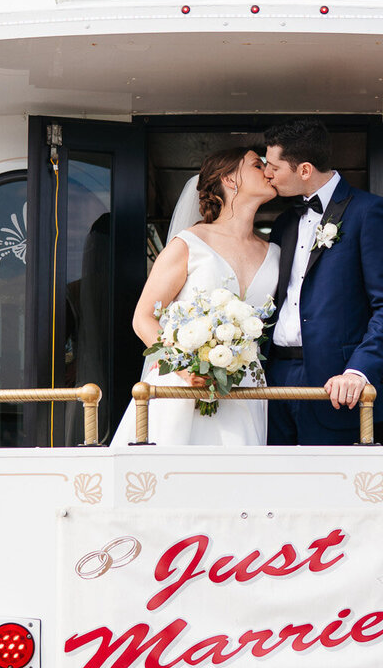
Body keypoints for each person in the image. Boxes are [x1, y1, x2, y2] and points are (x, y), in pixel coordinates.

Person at [112, 148, 278, 446]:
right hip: (183, 385)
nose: (268, 171)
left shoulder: (275, 254)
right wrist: (184, 368)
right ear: (230, 179)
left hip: (245, 388)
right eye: (257, 165)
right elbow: (143, 318)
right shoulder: (189, 243)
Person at [262, 118, 383, 445]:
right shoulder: (285, 222)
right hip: (274, 380)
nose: (266, 173)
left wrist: (358, 371)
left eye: (273, 166)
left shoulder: (369, 212)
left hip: (338, 385)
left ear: (304, 170)